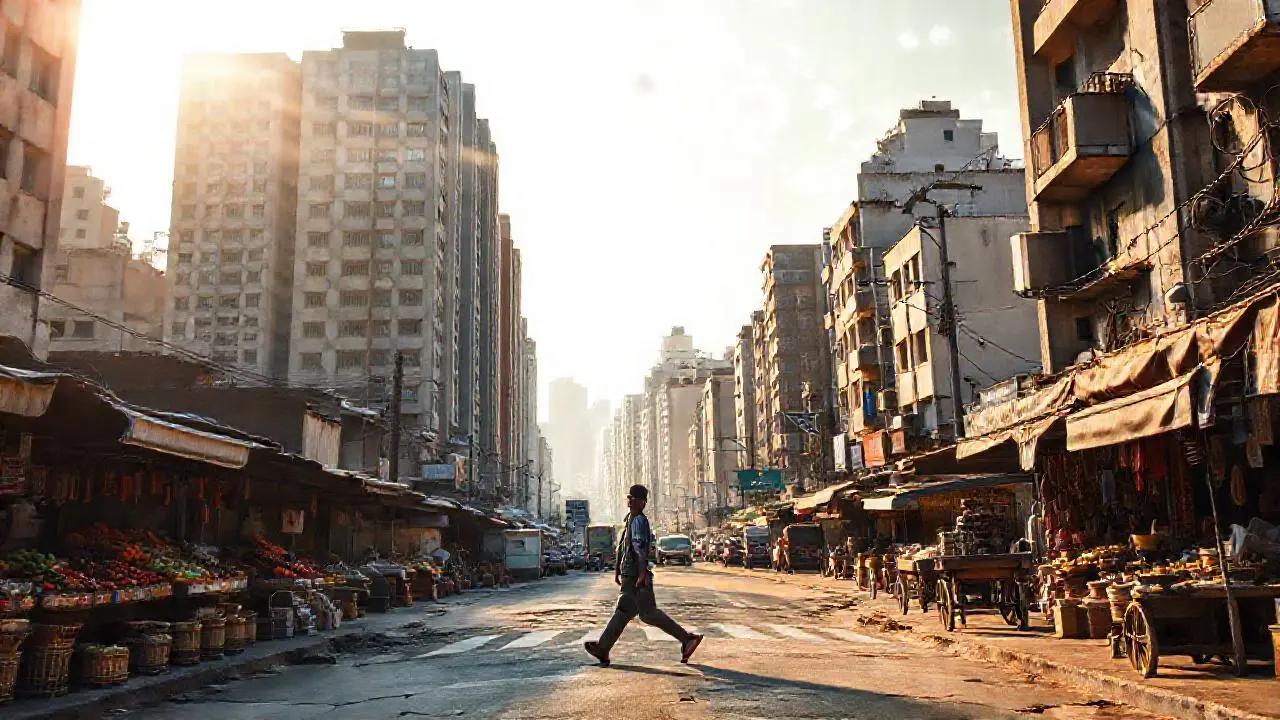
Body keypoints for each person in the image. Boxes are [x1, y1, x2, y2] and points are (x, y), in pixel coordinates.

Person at [585, 484, 703, 667]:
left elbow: (640, 549)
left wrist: (641, 573)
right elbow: (623, 548)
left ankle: (687, 639)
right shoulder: (630, 519)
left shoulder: (639, 521)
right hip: (630, 573)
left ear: (642, 502)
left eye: (633, 498)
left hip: (635, 575)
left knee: (633, 612)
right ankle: (686, 639)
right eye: (629, 498)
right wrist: (618, 569)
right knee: (642, 613)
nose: (629, 501)